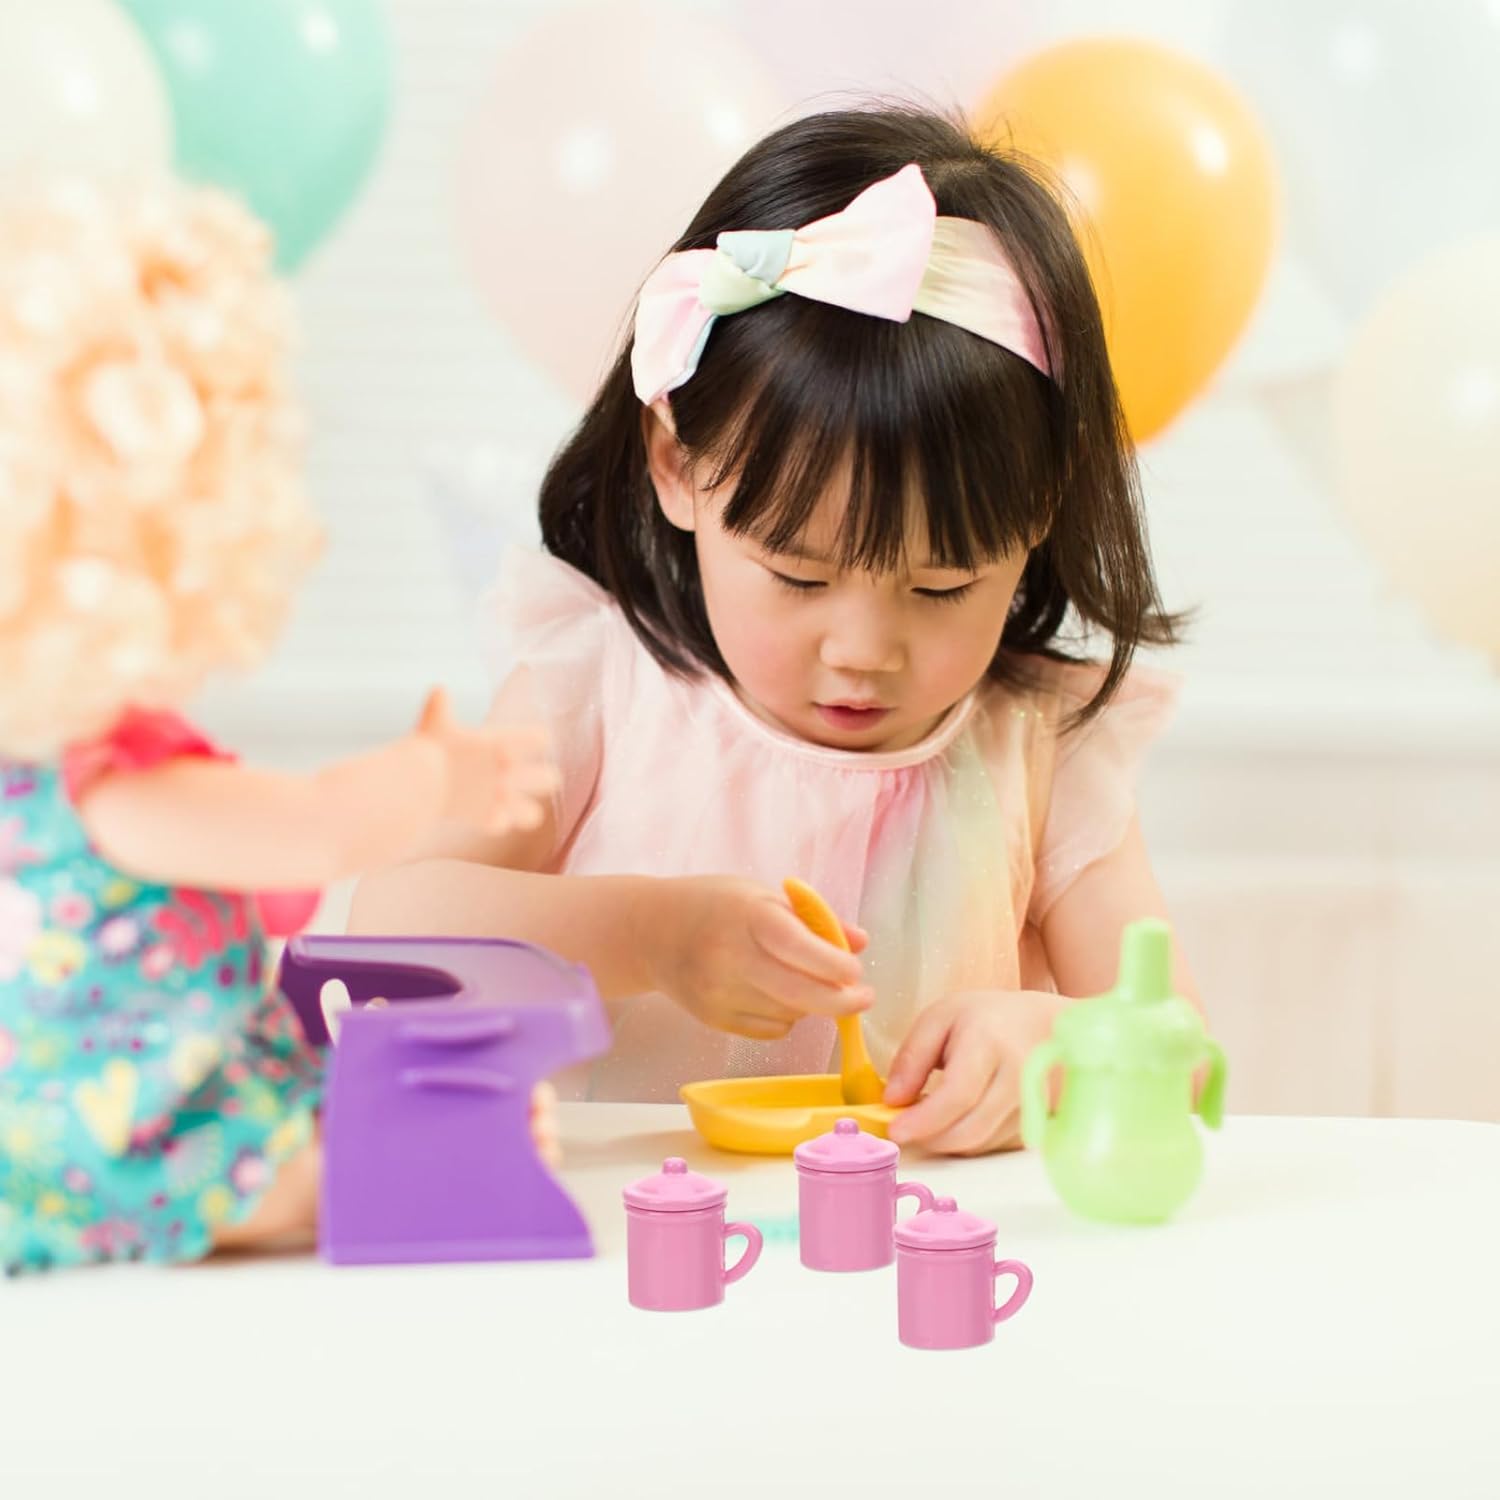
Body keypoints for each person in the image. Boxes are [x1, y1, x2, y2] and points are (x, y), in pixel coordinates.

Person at [352, 106, 1196, 1155]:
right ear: (678, 466)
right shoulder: (599, 691)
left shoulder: (1039, 746)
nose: (863, 650)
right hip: (639, 1241)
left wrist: (1061, 1041)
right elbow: (386, 928)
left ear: (1040, 514)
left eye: (942, 587)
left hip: (926, 1244)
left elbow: (1181, 1051)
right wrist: (651, 936)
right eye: (800, 575)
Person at [0, 178, 556, 1270]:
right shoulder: (114, 795)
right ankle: (384, 1171)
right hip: (109, 1144)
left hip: (140, 1089)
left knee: (310, 1084)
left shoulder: (50, 772)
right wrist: (436, 776)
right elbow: (310, 828)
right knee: (281, 1171)